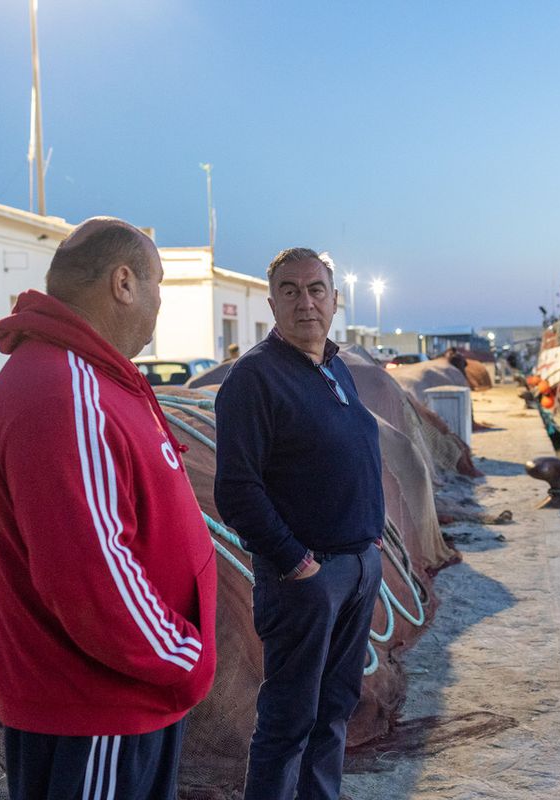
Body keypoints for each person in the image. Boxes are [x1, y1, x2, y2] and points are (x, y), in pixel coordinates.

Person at [0, 218, 217, 800]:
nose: (160, 302)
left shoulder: (94, 378)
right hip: (102, 708)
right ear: (124, 283)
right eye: (158, 284)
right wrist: (186, 656)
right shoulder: (63, 391)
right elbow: (90, 577)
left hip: (126, 699)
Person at [214, 248, 384, 800]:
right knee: (289, 722)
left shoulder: (335, 367)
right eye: (290, 290)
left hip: (358, 569)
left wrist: (372, 543)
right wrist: (297, 563)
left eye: (316, 289)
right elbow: (236, 489)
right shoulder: (253, 379)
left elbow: (355, 451)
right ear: (272, 304)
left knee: (335, 711)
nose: (305, 301)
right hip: (307, 582)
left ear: (335, 300)